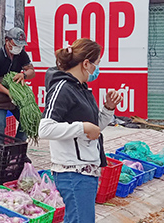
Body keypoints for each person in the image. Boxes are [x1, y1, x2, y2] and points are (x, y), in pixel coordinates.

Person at [39, 38, 122, 223]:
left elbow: (95, 128)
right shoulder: (62, 88)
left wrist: (108, 108)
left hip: (86, 170)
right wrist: (81, 128)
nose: (97, 70)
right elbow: (44, 128)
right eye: (97, 64)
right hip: (73, 172)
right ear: (86, 63)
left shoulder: (82, 88)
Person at [0, 27, 35, 140]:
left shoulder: (21, 54)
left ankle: (17, 147)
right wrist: (8, 92)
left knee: (28, 119)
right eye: (15, 44)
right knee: (0, 125)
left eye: (20, 45)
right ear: (7, 41)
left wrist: (24, 75)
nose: (18, 47)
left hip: (14, 95)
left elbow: (32, 71)